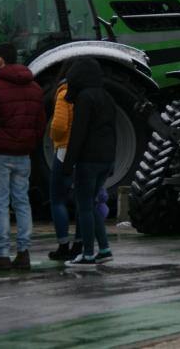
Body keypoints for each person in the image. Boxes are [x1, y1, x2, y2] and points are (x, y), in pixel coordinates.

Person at [0, 43, 45, 271]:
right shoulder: (35, 88)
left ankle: (2, 253)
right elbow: (40, 125)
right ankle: (23, 252)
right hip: (23, 154)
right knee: (22, 202)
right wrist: (30, 144)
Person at [62, 58, 116, 268]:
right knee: (91, 204)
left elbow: (78, 133)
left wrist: (68, 163)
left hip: (88, 159)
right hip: (105, 159)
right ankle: (104, 249)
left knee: (83, 206)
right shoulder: (107, 97)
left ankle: (87, 252)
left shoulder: (85, 97)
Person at [47, 61, 83, 261]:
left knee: (58, 199)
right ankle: (79, 243)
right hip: (83, 152)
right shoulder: (86, 94)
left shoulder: (63, 94)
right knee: (81, 200)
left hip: (64, 150)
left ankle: (63, 244)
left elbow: (59, 126)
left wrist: (53, 136)